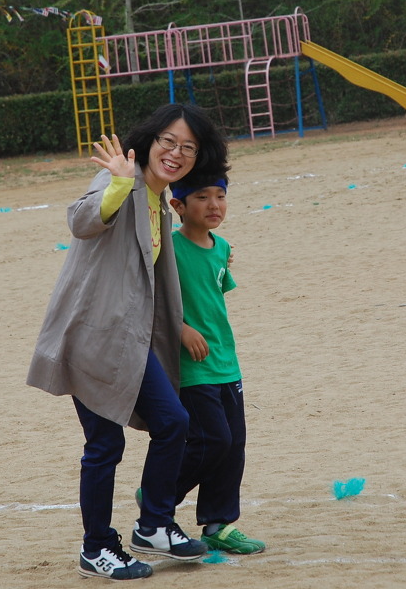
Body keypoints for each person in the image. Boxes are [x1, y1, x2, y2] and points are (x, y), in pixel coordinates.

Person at [28, 103, 229, 580]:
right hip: (91, 338)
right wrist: (118, 184)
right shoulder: (122, 177)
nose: (176, 153)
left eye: (188, 148)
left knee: (172, 421)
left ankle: (153, 524)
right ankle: (96, 547)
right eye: (168, 142)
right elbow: (81, 220)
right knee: (104, 443)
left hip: (128, 344)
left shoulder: (159, 199)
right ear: (150, 140)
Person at [167, 177, 266, 555]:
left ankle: (218, 524)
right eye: (202, 197)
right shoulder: (168, 250)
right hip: (192, 366)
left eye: (221, 196)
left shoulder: (222, 247)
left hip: (226, 360)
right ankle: (161, 492)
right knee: (213, 440)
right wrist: (181, 329)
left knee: (234, 445)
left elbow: (213, 294)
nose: (214, 205)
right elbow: (151, 299)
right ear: (178, 206)